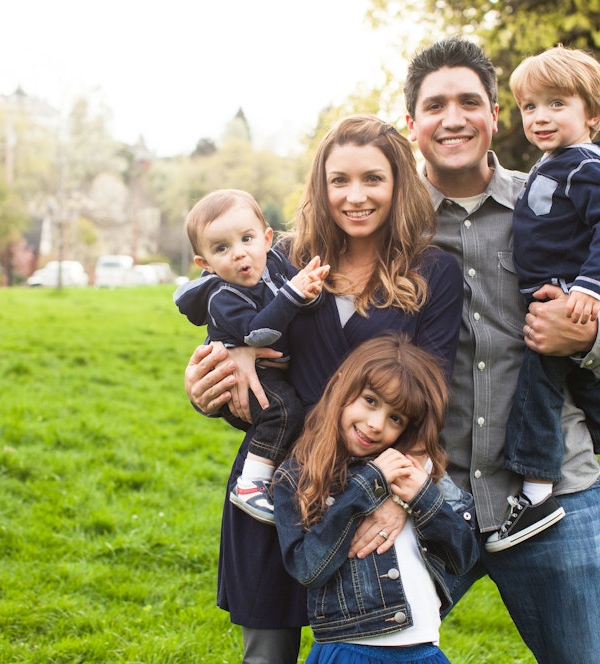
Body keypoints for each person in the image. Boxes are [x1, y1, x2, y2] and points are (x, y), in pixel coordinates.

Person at [391, 37, 600, 663]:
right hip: (425, 492)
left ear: (496, 116)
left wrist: (587, 334)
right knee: (366, 646)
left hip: (555, 491)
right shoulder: (389, 221)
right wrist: (229, 357)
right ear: (412, 124)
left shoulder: (556, 199)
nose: (453, 118)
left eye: (470, 102)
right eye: (436, 105)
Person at [183, 114, 463, 663]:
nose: (355, 196)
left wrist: (399, 499)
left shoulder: (433, 272)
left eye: (373, 179)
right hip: (276, 489)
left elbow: (431, 397)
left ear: (399, 183)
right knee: (267, 653)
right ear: (321, 185)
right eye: (340, 180)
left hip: (367, 493)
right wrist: (207, 388)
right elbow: (239, 353)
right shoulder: (279, 258)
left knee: (367, 652)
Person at [484, 45, 600, 552]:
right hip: (562, 289)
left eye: (557, 104)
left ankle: (535, 494)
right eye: (530, 106)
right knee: (586, 377)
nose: (540, 116)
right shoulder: (555, 163)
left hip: (571, 294)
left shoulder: (586, 167)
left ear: (592, 115)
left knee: (540, 391)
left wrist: (589, 288)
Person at [273, 333, 477, 663]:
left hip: (424, 651)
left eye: (396, 418)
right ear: (342, 386)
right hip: (352, 649)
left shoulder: (413, 473)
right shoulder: (297, 477)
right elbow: (308, 567)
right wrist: (368, 487)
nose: (375, 424)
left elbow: (463, 557)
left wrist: (424, 498)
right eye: (370, 401)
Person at [174, 189, 330, 524]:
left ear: (267, 238)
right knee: (284, 412)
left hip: (270, 369)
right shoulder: (224, 296)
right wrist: (293, 294)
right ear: (205, 263)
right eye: (221, 248)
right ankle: (252, 482)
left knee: (289, 412)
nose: (239, 254)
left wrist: (310, 290)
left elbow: (300, 301)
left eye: (247, 239)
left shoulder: (274, 264)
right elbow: (259, 334)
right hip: (247, 379)